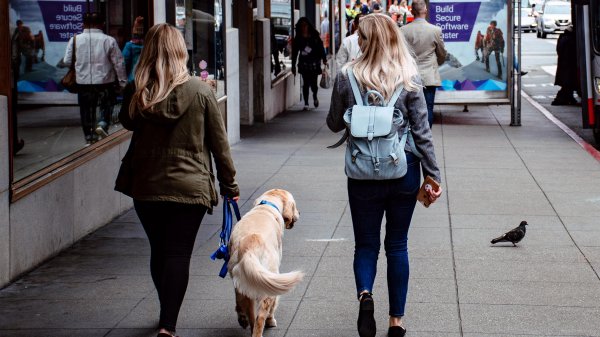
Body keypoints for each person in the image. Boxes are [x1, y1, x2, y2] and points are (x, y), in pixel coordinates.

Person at [115, 23, 239, 337]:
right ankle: (168, 326)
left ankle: (165, 314)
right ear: (180, 51)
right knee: (178, 253)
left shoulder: (138, 92)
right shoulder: (200, 90)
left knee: (160, 250)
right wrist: (230, 185)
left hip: (147, 185)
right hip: (190, 187)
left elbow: (126, 122)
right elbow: (219, 142)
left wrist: (141, 84)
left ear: (148, 53)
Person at [327, 13, 442, 337]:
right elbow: (422, 133)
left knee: (365, 245)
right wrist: (433, 176)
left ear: (365, 42)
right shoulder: (409, 78)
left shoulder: (346, 76)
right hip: (403, 170)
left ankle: (365, 295)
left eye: (360, 37)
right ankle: (396, 322)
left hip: (361, 173)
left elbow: (334, 123)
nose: (358, 41)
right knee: (397, 244)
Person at [63, 12, 127, 144]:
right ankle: (102, 125)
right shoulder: (109, 40)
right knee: (106, 106)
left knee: (86, 109)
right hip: (105, 82)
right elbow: (119, 63)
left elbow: (67, 61)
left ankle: (89, 136)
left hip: (83, 82)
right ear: (102, 24)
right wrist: (122, 82)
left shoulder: (75, 40)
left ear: (83, 24)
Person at [400, 0, 446, 127]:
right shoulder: (435, 30)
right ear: (425, 10)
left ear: (411, 11)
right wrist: (437, 63)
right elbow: (442, 53)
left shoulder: (403, 30)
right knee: (428, 108)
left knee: (409, 109)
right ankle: (426, 138)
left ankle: (411, 138)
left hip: (409, 75)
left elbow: (400, 54)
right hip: (429, 76)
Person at [291, 17, 327, 110]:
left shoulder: (314, 35)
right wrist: (293, 66)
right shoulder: (298, 38)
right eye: (302, 26)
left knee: (314, 84)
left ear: (308, 26)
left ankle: (315, 96)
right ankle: (306, 103)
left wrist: (324, 59)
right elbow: (295, 52)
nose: (303, 27)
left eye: (305, 25)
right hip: (304, 64)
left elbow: (320, 47)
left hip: (314, 63)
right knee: (305, 83)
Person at [552, 25, 579, 105]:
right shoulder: (570, 39)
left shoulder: (562, 37)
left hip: (564, 64)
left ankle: (568, 98)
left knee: (567, 84)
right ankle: (561, 99)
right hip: (568, 65)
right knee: (568, 84)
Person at [122, 16, 144, 82]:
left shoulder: (129, 45)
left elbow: (123, 62)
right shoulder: (150, 45)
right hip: (147, 79)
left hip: (133, 78)